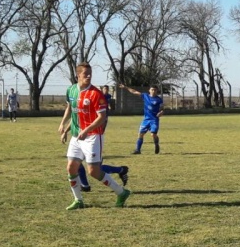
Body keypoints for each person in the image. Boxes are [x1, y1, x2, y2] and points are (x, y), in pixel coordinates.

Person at [58, 62, 131, 210]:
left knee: (93, 171)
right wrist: (63, 126)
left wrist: (87, 130)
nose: (89, 76)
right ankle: (78, 200)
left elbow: (102, 117)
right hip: (76, 136)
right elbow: (71, 109)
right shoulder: (71, 90)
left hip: (92, 136)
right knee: (71, 167)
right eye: (86, 74)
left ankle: (121, 192)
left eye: (90, 73)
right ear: (78, 75)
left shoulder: (96, 94)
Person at [60, 84, 130, 192]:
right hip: (81, 136)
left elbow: (100, 118)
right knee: (75, 163)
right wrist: (65, 130)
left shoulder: (97, 96)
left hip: (94, 137)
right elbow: (77, 119)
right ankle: (85, 185)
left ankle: (121, 170)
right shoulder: (79, 98)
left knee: (95, 169)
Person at [119, 83, 164, 154]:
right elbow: (134, 92)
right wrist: (125, 87)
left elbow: (162, 109)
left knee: (153, 134)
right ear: (149, 90)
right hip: (146, 119)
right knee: (140, 134)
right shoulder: (145, 96)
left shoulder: (159, 100)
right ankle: (138, 150)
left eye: (155, 90)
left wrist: (161, 113)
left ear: (157, 91)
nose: (153, 91)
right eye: (152, 90)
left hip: (154, 120)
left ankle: (156, 144)